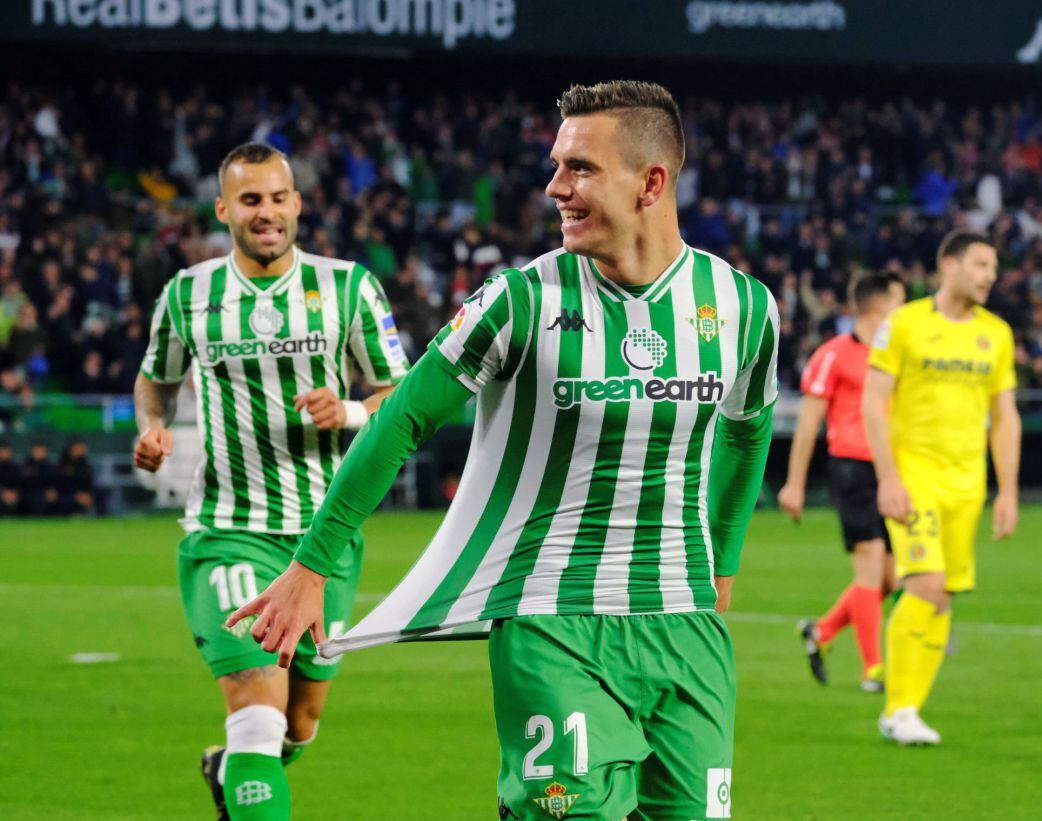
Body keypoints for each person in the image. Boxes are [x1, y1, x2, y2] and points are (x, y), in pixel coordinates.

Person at [229, 81, 779, 820]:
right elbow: (402, 421)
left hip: (685, 625)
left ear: (651, 182)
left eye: (580, 168)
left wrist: (724, 566)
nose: (556, 187)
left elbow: (747, 434)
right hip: (552, 616)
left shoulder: (744, 307)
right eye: (556, 165)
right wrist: (311, 564)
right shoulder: (519, 300)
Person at [133, 142, 408, 819]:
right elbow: (154, 380)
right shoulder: (188, 295)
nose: (267, 212)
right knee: (257, 713)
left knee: (300, 720)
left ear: (299, 204)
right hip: (230, 532)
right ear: (224, 208)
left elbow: (399, 395)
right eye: (251, 200)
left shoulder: (348, 287)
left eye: (278, 198)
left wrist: (346, 409)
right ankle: (245, 757)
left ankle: (234, 771)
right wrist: (151, 425)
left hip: (325, 538)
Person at [863, 230, 1020, 745]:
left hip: (967, 485)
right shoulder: (904, 323)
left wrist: (1009, 491)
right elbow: (873, 401)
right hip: (915, 478)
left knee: (942, 596)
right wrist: (888, 476)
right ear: (948, 265)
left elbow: (1005, 416)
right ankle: (899, 709)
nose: (989, 275)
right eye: (980, 264)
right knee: (925, 584)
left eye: (993, 268)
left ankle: (906, 708)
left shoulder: (996, 333)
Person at [778, 272, 906, 691]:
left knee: (890, 579)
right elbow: (809, 421)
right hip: (851, 467)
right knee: (869, 565)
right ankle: (874, 669)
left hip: (891, 470)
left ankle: (821, 632)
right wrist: (794, 484)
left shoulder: (897, 356)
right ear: (880, 305)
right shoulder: (834, 354)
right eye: (900, 300)